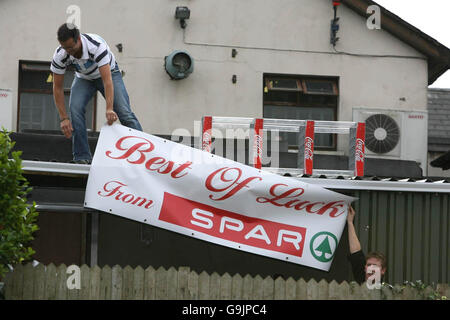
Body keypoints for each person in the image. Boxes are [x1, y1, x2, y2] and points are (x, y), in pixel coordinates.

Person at [51, 23, 142, 164]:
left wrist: (109, 108)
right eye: (65, 48)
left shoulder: (96, 47)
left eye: (71, 47)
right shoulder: (60, 55)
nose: (68, 52)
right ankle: (82, 157)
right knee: (75, 109)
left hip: (109, 74)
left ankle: (144, 154)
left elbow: (107, 81)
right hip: (84, 78)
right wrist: (63, 118)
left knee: (124, 113)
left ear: (79, 39)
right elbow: (57, 88)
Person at [347, 205, 387, 285]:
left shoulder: (387, 293)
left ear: (383, 270)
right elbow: (356, 252)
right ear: (364, 268)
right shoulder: (360, 280)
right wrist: (350, 222)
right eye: (369, 265)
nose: (371, 268)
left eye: (375, 266)